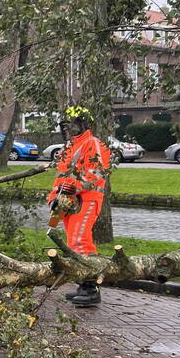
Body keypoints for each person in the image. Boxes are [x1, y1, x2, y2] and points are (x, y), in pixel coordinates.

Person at [47, 105, 111, 306]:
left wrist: (71, 187)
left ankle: (91, 287)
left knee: (81, 240)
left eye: (71, 126)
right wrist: (54, 198)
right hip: (67, 200)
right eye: (65, 126)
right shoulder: (68, 148)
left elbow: (96, 173)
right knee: (72, 243)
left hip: (87, 199)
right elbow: (61, 177)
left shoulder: (94, 144)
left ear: (81, 124)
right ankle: (83, 285)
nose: (67, 130)